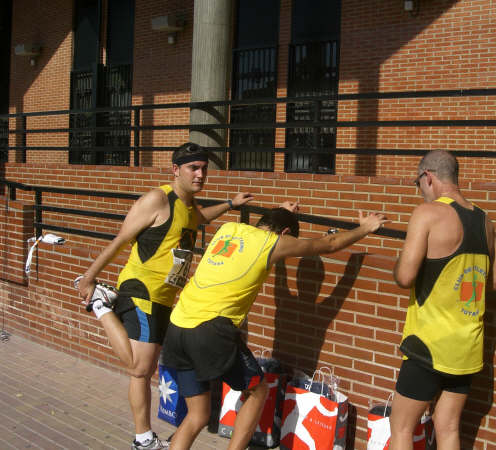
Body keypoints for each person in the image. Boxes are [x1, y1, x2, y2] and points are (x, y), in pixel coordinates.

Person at [161, 202, 388, 450]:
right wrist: (364, 228)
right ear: (285, 235)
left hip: (177, 325)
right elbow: (329, 244)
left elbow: (276, 272)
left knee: (197, 416)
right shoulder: (272, 242)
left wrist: (282, 213)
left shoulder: (229, 229)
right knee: (258, 390)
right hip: (210, 330)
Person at [76, 142, 253, 450]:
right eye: (193, 168)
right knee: (139, 368)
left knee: (145, 369)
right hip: (141, 289)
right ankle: (102, 304)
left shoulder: (188, 207)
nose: (200, 174)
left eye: (203, 168)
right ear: (175, 170)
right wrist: (89, 279)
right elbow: (121, 239)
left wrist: (230, 203)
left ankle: (143, 438)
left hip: (165, 298)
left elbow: (199, 219)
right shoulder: (158, 199)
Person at [390, 150, 496, 450]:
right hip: (466, 347)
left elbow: (404, 277)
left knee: (401, 427)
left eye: (418, 183)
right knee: (448, 427)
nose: (420, 191)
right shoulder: (485, 221)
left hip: (427, 343)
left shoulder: (427, 214)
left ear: (428, 177)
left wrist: (398, 262)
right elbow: (495, 282)